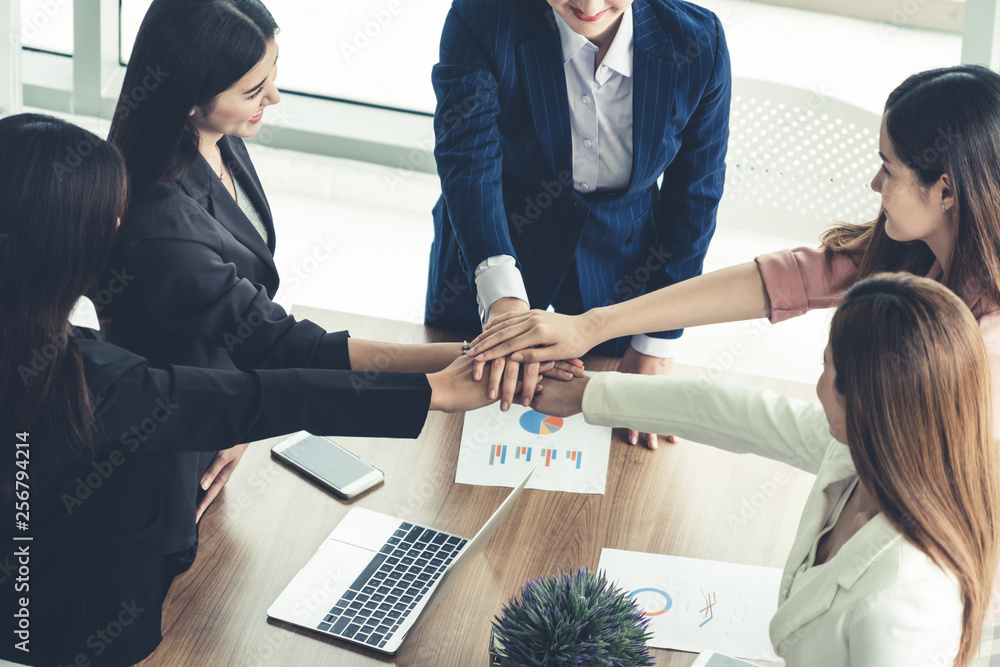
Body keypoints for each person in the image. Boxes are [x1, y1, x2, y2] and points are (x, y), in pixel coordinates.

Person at [0, 113, 501, 667]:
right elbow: (265, 397)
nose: (122, 227)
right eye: (110, 220)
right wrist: (433, 391)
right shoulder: (88, 376)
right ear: (65, 247)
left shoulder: (54, 351)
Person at [102, 0, 551, 585]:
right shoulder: (161, 218)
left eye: (274, 72)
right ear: (189, 95)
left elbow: (244, 317)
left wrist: (236, 421)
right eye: (254, 89)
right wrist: (442, 374)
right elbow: (276, 342)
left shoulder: (215, 139)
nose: (274, 98)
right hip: (167, 459)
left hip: (221, 422)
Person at [467, 64, 1000, 441]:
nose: (873, 182)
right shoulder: (915, 251)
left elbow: (815, 436)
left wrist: (596, 396)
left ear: (948, 190)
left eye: (890, 168)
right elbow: (782, 281)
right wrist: (593, 326)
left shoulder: (980, 345)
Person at [530, 273, 999, 666]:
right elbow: (734, 412)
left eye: (826, 368)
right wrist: (586, 394)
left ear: (867, 401)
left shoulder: (902, 600)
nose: (815, 387)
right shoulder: (868, 451)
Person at [426, 0, 731, 448]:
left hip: (623, 278)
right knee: (454, 436)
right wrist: (503, 304)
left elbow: (695, 194)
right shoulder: (482, 17)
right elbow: (468, 163)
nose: (588, 5)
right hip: (490, 250)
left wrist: (656, 342)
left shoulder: (698, 40)